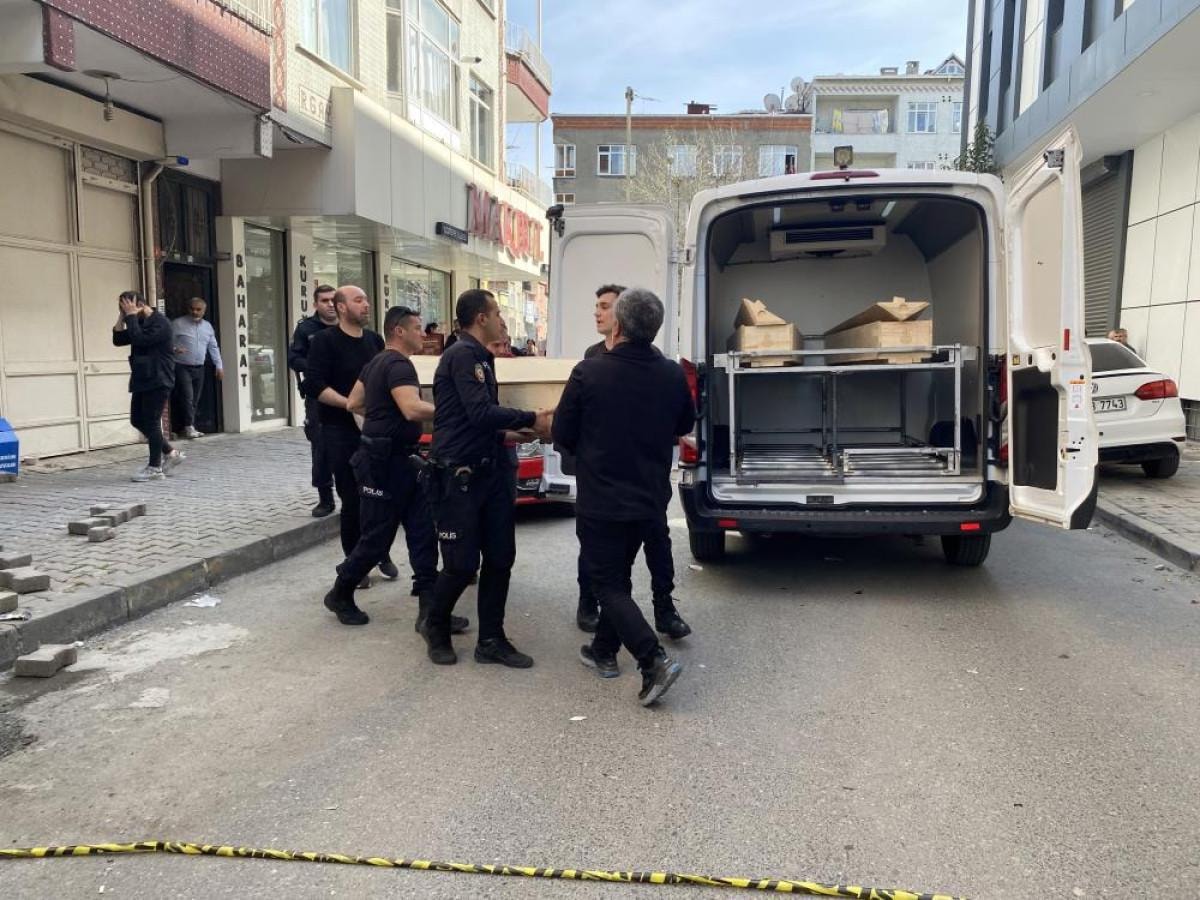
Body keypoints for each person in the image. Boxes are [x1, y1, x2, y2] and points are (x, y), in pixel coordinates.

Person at [553, 287, 692, 706]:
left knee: (607, 583)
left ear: (618, 324)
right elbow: (684, 423)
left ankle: (653, 660)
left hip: (602, 499)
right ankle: (603, 650)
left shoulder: (589, 372)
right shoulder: (671, 374)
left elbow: (562, 433)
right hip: (648, 495)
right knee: (620, 576)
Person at [419, 289, 552, 668]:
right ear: (481, 318)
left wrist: (513, 433)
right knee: (461, 565)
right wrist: (531, 418)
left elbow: (472, 420)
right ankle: (435, 626)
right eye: (497, 313)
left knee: (500, 557)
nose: (502, 320)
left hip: (488, 471)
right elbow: (479, 413)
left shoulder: (481, 357)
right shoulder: (462, 355)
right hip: (458, 475)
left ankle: (491, 640)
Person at [321, 306, 468, 634]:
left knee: (423, 533)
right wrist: (455, 413)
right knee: (377, 538)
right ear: (399, 331)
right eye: (417, 328)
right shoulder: (399, 364)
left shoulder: (375, 362)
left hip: (400, 461)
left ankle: (430, 612)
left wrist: (380, 418)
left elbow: (354, 403)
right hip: (384, 464)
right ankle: (340, 593)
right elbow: (412, 408)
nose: (423, 334)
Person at [303, 285, 400, 586]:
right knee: (353, 498)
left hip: (375, 430)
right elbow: (314, 385)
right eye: (359, 300)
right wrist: (350, 405)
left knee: (382, 496)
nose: (366, 305)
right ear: (341, 307)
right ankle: (354, 565)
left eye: (366, 299)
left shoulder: (374, 341)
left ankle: (379, 552)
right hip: (339, 430)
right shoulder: (324, 341)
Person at [112, 291, 184, 482]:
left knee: (152, 422)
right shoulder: (138, 320)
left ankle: (155, 468)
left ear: (141, 305)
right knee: (137, 420)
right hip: (142, 378)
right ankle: (171, 453)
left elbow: (140, 339)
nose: (126, 312)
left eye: (128, 307)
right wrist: (122, 317)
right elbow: (118, 340)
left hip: (159, 378)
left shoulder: (161, 323)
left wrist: (131, 317)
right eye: (122, 308)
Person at [289, 285, 339, 517]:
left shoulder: (348, 325)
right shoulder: (306, 328)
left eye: (333, 300)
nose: (330, 304)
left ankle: (357, 495)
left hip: (348, 393)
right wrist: (316, 367)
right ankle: (325, 498)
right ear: (315, 304)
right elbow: (294, 358)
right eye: (324, 300)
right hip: (318, 395)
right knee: (320, 446)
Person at [170, 297, 223, 439]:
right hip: (181, 366)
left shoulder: (208, 327)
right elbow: (165, 342)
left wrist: (219, 366)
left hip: (200, 367)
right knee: (187, 397)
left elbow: (213, 347)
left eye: (198, 309)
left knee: (195, 399)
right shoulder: (178, 324)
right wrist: (175, 349)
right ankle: (189, 427)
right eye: (192, 309)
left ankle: (188, 426)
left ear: (204, 311)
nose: (195, 312)